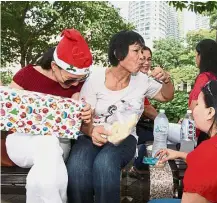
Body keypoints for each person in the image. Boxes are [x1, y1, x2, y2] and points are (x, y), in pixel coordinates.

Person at [66, 30, 174, 203]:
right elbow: (84, 119)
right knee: (77, 168)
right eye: (136, 51)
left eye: (143, 52)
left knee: (105, 164)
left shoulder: (142, 80)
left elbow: (166, 96)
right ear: (118, 53)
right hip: (91, 134)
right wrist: (92, 131)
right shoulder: (95, 80)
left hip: (125, 139)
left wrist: (167, 80)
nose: (141, 57)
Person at [5, 29, 93, 203]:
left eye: (80, 80)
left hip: (59, 144)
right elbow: (9, 113)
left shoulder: (77, 85)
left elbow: (80, 114)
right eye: (70, 80)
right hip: (22, 142)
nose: (75, 84)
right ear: (54, 66)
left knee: (49, 149)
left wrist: (85, 113)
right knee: (48, 144)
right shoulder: (25, 76)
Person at [188, 39, 217, 145]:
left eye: (197, 54)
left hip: (199, 132)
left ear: (202, 56)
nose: (195, 58)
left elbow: (193, 107)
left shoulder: (204, 77)